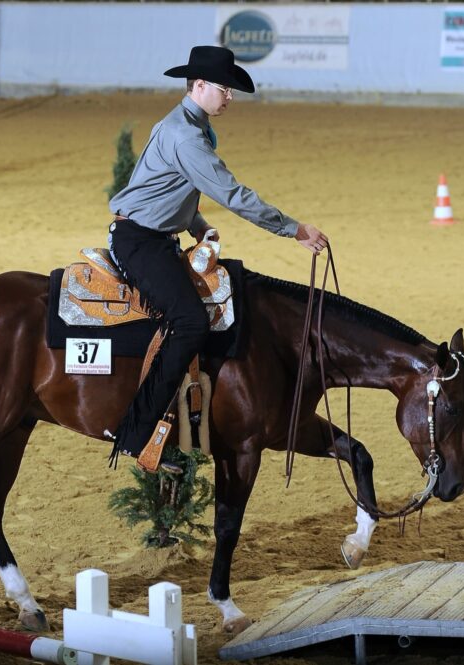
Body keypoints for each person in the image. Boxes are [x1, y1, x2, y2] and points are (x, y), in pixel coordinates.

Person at [106, 45, 329, 468]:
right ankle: (137, 436)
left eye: (231, 90)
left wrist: (195, 224)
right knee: (190, 321)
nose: (230, 97)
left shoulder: (192, 127)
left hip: (153, 236)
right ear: (199, 85)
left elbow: (169, 186)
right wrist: (294, 229)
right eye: (224, 89)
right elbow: (232, 194)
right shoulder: (186, 136)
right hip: (140, 241)